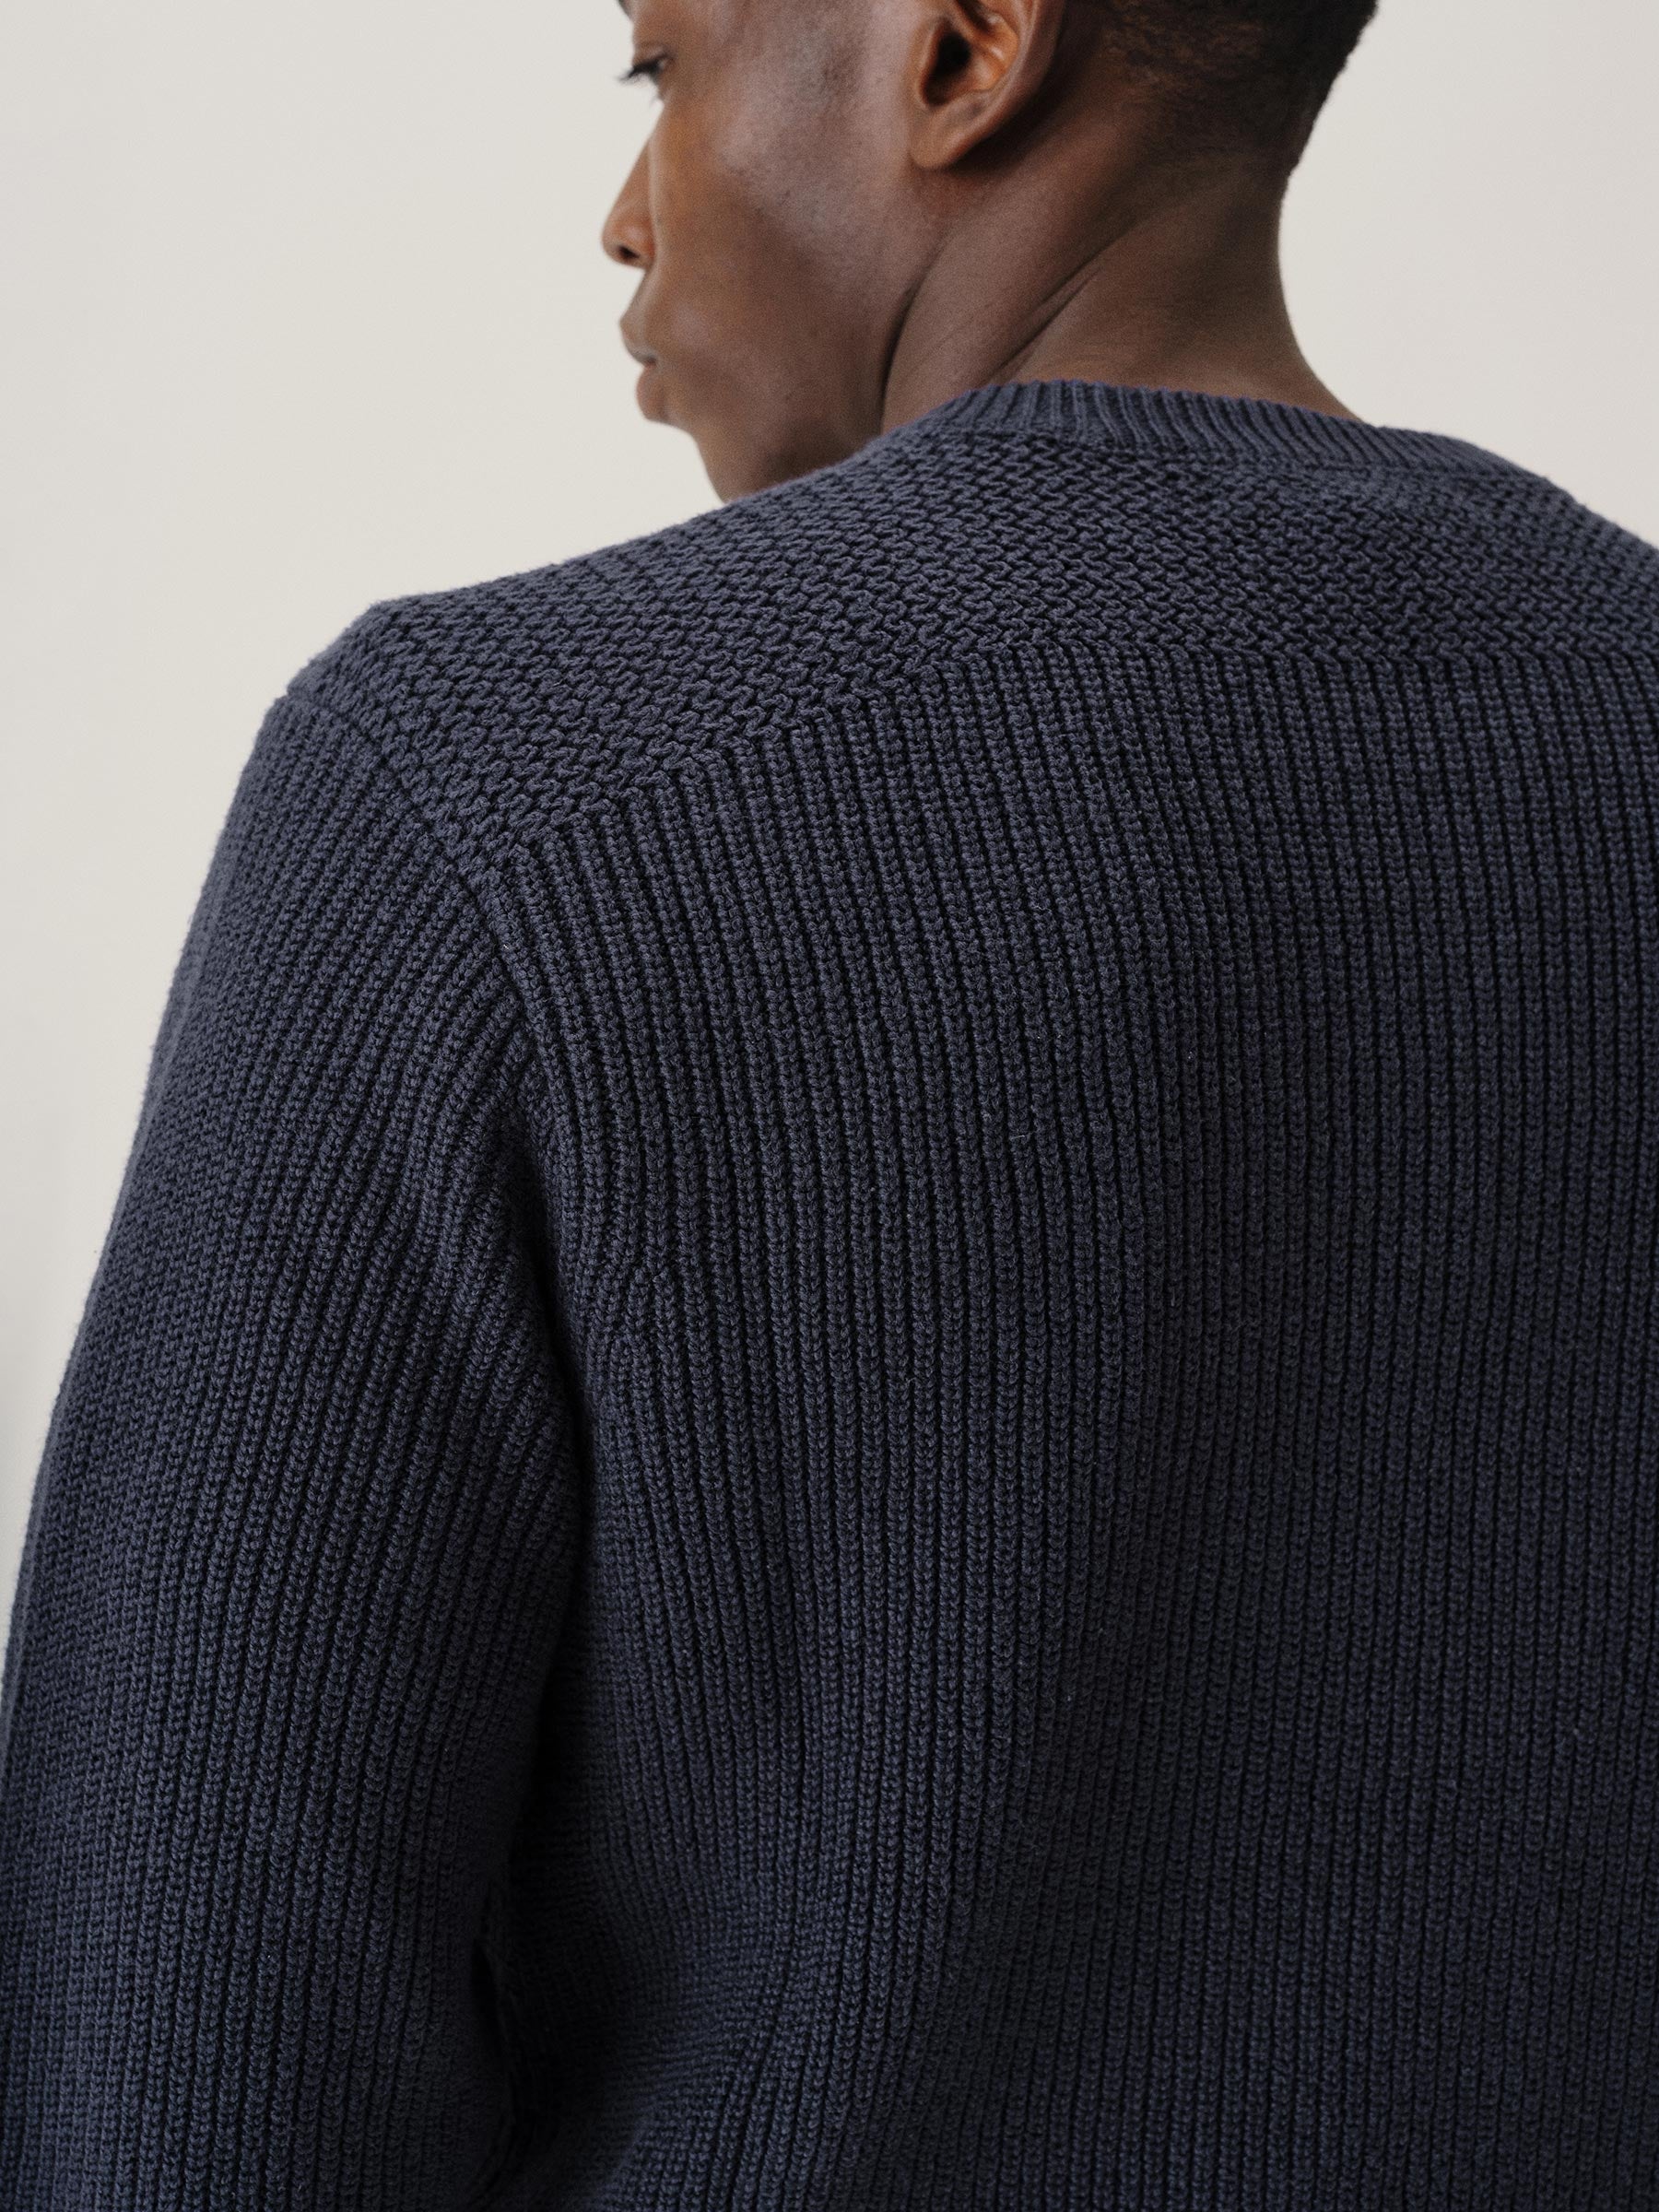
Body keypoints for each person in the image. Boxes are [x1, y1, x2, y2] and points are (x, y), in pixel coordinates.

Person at [2, 0, 1656, 2203]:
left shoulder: (485, 798)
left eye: (661, 68)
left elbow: (180, 2058)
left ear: (966, 50)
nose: (625, 214)